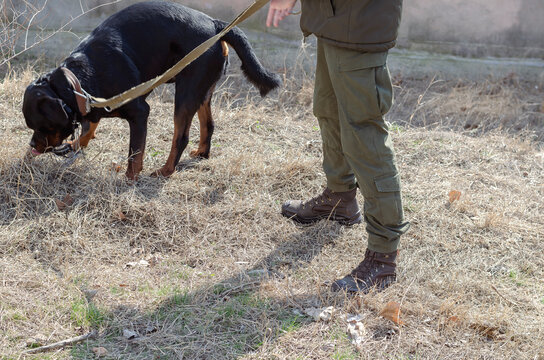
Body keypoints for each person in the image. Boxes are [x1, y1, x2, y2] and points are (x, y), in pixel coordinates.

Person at [266, 0, 410, 293]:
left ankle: (383, 257)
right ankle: (340, 198)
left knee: (364, 136)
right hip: (333, 19)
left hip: (359, 22)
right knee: (329, 111)